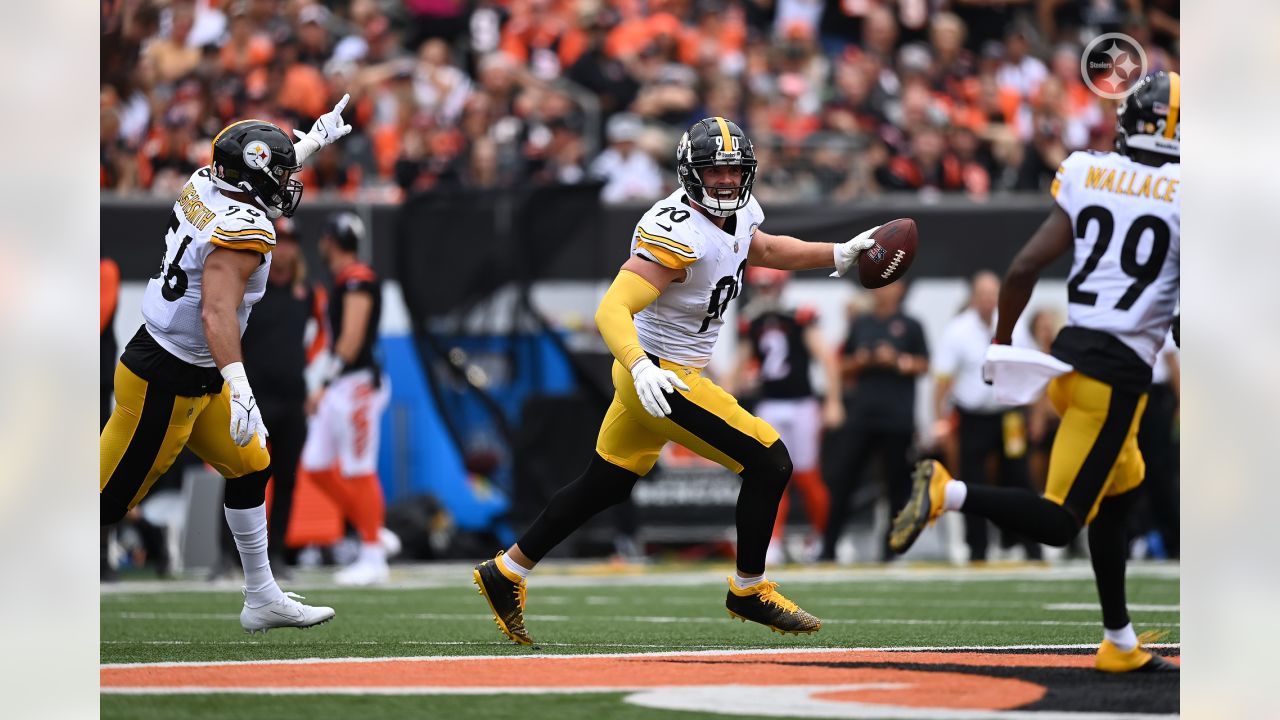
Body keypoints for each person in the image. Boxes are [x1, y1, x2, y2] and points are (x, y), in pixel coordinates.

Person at [472, 117, 883, 644]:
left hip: (659, 370)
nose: (728, 182)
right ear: (692, 174)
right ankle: (748, 590)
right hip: (661, 375)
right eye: (715, 172)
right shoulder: (677, 232)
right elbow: (612, 309)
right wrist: (642, 368)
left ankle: (507, 570)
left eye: (735, 171)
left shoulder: (737, 215)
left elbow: (765, 250)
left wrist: (836, 254)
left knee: (606, 483)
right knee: (769, 460)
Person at [890, 73, 1181, 673]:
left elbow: (1023, 266)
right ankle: (948, 491)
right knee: (1059, 521)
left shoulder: (1087, 171)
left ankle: (1119, 642)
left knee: (1121, 495)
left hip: (1069, 365)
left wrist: (1002, 341)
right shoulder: (1188, 194)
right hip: (1116, 380)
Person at [100, 95, 354, 633]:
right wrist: (241, 385)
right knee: (103, 503)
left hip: (188, 367)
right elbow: (217, 313)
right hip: (164, 379)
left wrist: (310, 139)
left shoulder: (206, 183)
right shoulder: (245, 231)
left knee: (252, 466)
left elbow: (251, 175)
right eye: (281, 171)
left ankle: (261, 596)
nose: (289, 181)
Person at [212, 218, 327, 580]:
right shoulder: (251, 290)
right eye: (282, 241)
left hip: (293, 399)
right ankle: (228, 556)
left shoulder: (308, 294)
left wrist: (314, 378)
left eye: (292, 242)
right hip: (255, 397)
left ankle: (276, 552)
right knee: (241, 473)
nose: (286, 249)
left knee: (287, 479)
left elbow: (325, 337)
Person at [301, 211, 392, 586]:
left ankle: (372, 554)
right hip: (343, 384)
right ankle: (373, 529)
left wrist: (323, 381)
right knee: (317, 465)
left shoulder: (357, 279)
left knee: (359, 468)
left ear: (330, 241)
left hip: (355, 385)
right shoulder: (344, 278)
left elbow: (351, 340)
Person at [733, 267, 842, 564]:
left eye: (770, 286)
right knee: (771, 475)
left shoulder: (799, 316)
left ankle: (824, 538)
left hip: (803, 403)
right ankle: (773, 542)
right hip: (769, 405)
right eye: (761, 286)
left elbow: (827, 358)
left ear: (781, 286)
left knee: (808, 476)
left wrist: (833, 401)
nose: (766, 292)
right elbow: (738, 368)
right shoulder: (751, 321)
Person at [932, 271, 1042, 562]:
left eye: (993, 294)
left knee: (1020, 479)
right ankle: (977, 547)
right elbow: (942, 379)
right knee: (972, 481)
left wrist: (1036, 413)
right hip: (973, 417)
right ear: (973, 297)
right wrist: (939, 420)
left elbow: (1031, 368)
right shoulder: (958, 330)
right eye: (983, 294)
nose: (988, 300)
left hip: (1010, 416)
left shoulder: (1014, 324)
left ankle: (1031, 543)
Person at [819, 281, 928, 562]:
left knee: (895, 485)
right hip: (862, 415)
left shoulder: (911, 324)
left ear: (900, 289)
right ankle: (828, 546)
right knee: (844, 480)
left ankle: (890, 550)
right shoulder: (862, 323)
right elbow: (843, 365)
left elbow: (924, 364)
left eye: (889, 285)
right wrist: (865, 359)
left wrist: (897, 360)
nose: (882, 290)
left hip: (897, 417)